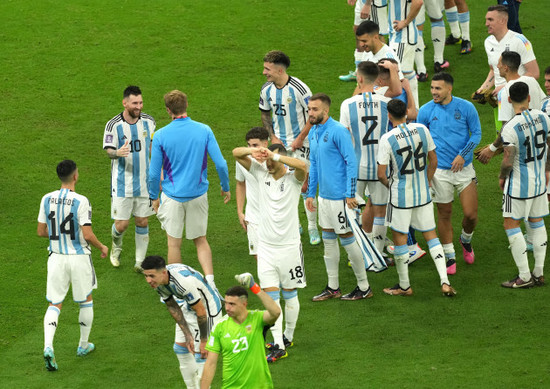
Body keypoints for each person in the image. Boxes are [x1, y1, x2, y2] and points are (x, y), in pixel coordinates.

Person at [148, 90, 230, 294]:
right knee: (200, 239)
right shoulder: (204, 130)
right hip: (198, 195)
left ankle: (178, 287)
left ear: (168, 110)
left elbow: (152, 173)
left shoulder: (160, 136)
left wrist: (153, 196)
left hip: (172, 197)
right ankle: (211, 284)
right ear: (186, 106)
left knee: (174, 244)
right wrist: (225, 186)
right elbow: (220, 163)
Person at [233, 143, 307, 362]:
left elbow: (302, 165)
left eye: (273, 160)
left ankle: (287, 337)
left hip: (290, 247)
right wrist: (254, 153)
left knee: (290, 293)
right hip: (266, 247)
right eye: (267, 161)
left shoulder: (294, 180)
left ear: (281, 159)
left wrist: (276, 155)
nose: (269, 164)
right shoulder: (259, 172)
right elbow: (236, 154)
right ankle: (277, 344)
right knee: (271, 295)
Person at [377, 100, 456, 297]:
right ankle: (445, 281)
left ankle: (405, 286)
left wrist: (391, 186)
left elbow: (381, 174)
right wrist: (426, 181)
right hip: (423, 194)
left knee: (400, 238)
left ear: (389, 116)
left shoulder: (387, 139)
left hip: (400, 197)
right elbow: (434, 161)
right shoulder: (422, 129)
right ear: (406, 113)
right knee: (431, 235)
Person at [37, 160, 108, 371]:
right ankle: (83, 345)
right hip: (78, 259)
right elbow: (87, 234)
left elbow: (41, 232)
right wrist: (102, 247)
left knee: (54, 304)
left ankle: (48, 346)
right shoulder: (81, 201)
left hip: (56, 258)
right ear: (75, 176)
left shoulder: (46, 199)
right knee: (86, 300)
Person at [306, 93, 372, 301]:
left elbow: (351, 162)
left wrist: (350, 194)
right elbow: (314, 165)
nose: (311, 113)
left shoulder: (338, 131)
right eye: (309, 109)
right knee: (328, 240)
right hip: (324, 198)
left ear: (326, 110)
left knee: (347, 240)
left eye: (315, 109)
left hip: (340, 198)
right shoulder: (314, 132)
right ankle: (333, 287)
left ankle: (364, 286)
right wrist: (310, 194)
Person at [417, 72, 481, 275]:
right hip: (440, 173)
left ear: (449, 89)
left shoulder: (466, 107)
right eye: (432, 88)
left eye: (438, 88)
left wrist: (463, 155)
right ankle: (450, 255)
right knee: (444, 214)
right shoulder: (426, 111)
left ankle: (465, 239)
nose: (433, 92)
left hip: (464, 169)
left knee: (471, 215)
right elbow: (421, 140)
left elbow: (477, 133)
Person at [259, 50, 320, 245]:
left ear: (279, 69)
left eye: (267, 69)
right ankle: (295, 224)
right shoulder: (266, 89)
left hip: (302, 143)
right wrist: (272, 136)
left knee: (304, 185)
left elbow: (313, 116)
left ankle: (312, 227)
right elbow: (265, 114)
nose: (264, 72)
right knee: (283, 183)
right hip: (280, 144)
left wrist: (301, 138)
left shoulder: (299, 89)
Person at [141, 255, 222, 388]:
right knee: (180, 348)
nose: (148, 280)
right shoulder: (158, 282)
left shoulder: (183, 283)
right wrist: (188, 335)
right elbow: (172, 306)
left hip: (208, 309)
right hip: (190, 305)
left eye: (151, 276)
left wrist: (203, 340)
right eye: (146, 276)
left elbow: (201, 311)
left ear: (163, 272)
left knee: (202, 353)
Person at [499, 81, 549, 288]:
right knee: (537, 223)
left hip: (518, 186)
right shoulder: (544, 117)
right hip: (539, 183)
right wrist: (546, 169)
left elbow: (508, 159)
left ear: (509, 100)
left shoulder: (510, 127)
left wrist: (502, 177)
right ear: (529, 97)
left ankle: (524, 277)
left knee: (511, 225)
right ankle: (539, 272)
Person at [339, 61, 391, 256]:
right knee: (380, 211)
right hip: (381, 167)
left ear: (359, 78)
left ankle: (358, 254)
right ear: (377, 79)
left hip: (356, 168)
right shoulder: (387, 103)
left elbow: (344, 137)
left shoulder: (347, 104)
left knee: (351, 211)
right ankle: (376, 253)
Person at [103, 85, 155, 272]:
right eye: (134, 103)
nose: (138, 106)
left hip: (144, 182)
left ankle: (139, 262)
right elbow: (109, 151)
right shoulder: (113, 125)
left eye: (140, 102)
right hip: (122, 183)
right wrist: (118, 152)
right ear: (124, 103)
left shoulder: (149, 121)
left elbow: (152, 148)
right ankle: (116, 247)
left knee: (142, 221)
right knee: (122, 225)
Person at [201, 275, 281, 389]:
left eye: (232, 304)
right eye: (226, 303)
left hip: (261, 386)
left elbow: (276, 312)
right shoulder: (220, 326)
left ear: (244, 304)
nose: (227, 308)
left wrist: (255, 287)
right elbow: (210, 363)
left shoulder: (257, 319)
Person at [478, 51, 546, 164]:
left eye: (499, 63)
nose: (497, 66)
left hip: (523, 149)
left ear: (505, 68)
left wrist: (492, 148)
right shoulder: (532, 81)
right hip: (541, 141)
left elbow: (506, 128)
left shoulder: (505, 93)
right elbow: (545, 103)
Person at [477, 5, 538, 99]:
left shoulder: (520, 41)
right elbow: (494, 70)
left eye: (490, 20)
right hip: (500, 98)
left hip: (521, 97)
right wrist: (483, 88)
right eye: (486, 20)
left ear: (502, 20)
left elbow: (534, 73)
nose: (486, 24)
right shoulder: (488, 42)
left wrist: (506, 87)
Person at [235, 127, 269, 258]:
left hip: (274, 217)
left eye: (255, 145)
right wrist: (240, 211)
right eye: (249, 146)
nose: (252, 149)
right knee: (259, 257)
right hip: (253, 217)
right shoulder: (243, 161)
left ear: (265, 144)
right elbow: (240, 183)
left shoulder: (275, 163)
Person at [339, 0, 390, 82]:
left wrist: (368, 4)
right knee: (358, 30)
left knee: (377, 35)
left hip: (375, 3)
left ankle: (383, 71)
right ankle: (358, 70)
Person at [386, 0, 423, 109]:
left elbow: (418, 2)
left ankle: (410, 112)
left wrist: (405, 22)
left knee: (398, 75)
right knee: (406, 74)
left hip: (402, 37)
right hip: (399, 36)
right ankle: (414, 110)